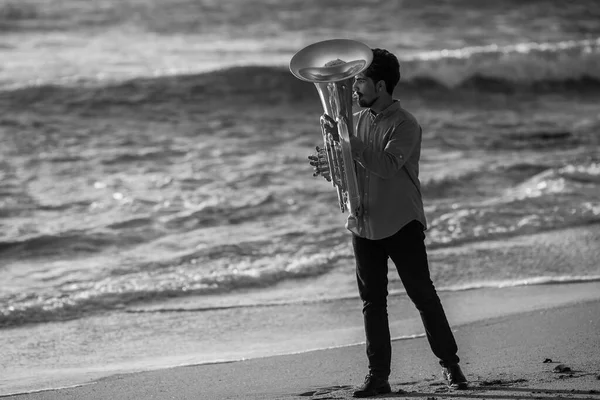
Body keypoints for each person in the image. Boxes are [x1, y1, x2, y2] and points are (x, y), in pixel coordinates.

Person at [308, 48, 468, 397]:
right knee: (372, 303)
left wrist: (349, 146)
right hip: (364, 222)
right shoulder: (357, 121)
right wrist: (332, 167)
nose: (354, 88)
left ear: (381, 85)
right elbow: (353, 172)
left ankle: (450, 364)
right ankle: (378, 376)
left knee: (422, 296)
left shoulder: (406, 124)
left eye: (360, 81)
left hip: (401, 222)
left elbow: (385, 166)